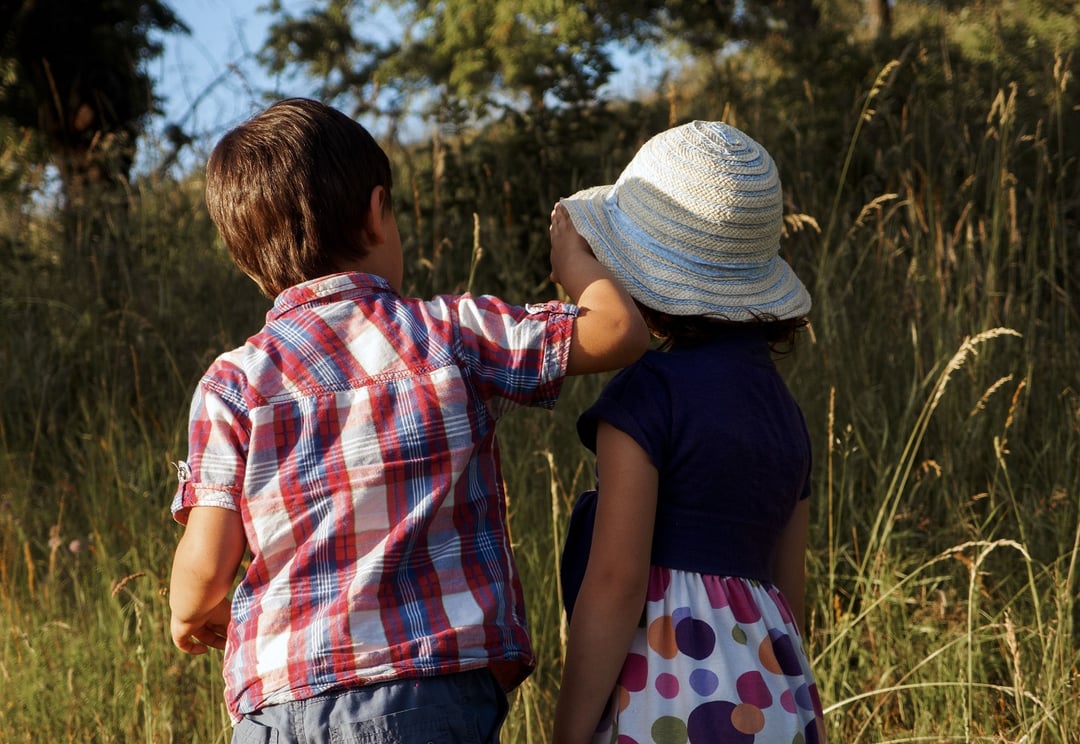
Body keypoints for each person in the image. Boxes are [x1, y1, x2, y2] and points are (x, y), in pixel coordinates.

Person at [167, 97, 649, 743]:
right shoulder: (451, 332)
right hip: (433, 692)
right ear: (376, 212)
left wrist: (190, 613)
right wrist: (575, 264)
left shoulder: (233, 384)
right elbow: (619, 332)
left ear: (244, 258)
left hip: (280, 707)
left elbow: (203, 571)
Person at [553, 120, 827, 743]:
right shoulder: (785, 413)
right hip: (776, 695)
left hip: (668, 694)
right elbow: (790, 595)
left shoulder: (649, 395)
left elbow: (617, 584)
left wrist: (566, 733)